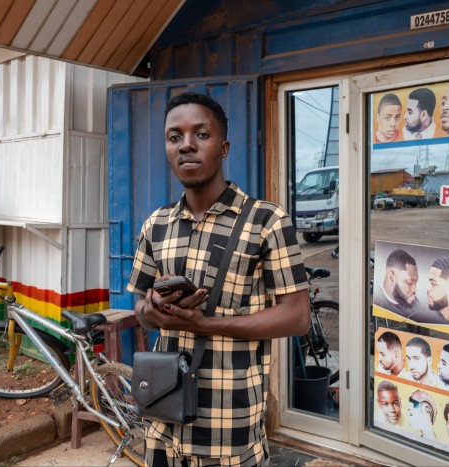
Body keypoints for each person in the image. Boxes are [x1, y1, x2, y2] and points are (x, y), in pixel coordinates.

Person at [126, 92, 310, 466]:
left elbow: (296, 316)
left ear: (223, 147)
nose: (186, 145)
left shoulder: (266, 221)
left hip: (229, 428)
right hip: (163, 423)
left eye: (201, 135)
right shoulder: (156, 225)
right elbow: (139, 304)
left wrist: (207, 323)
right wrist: (154, 311)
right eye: (174, 137)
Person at [373, 248, 427, 320]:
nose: (415, 289)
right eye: (409, 282)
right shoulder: (378, 303)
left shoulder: (412, 301)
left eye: (415, 282)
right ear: (391, 277)